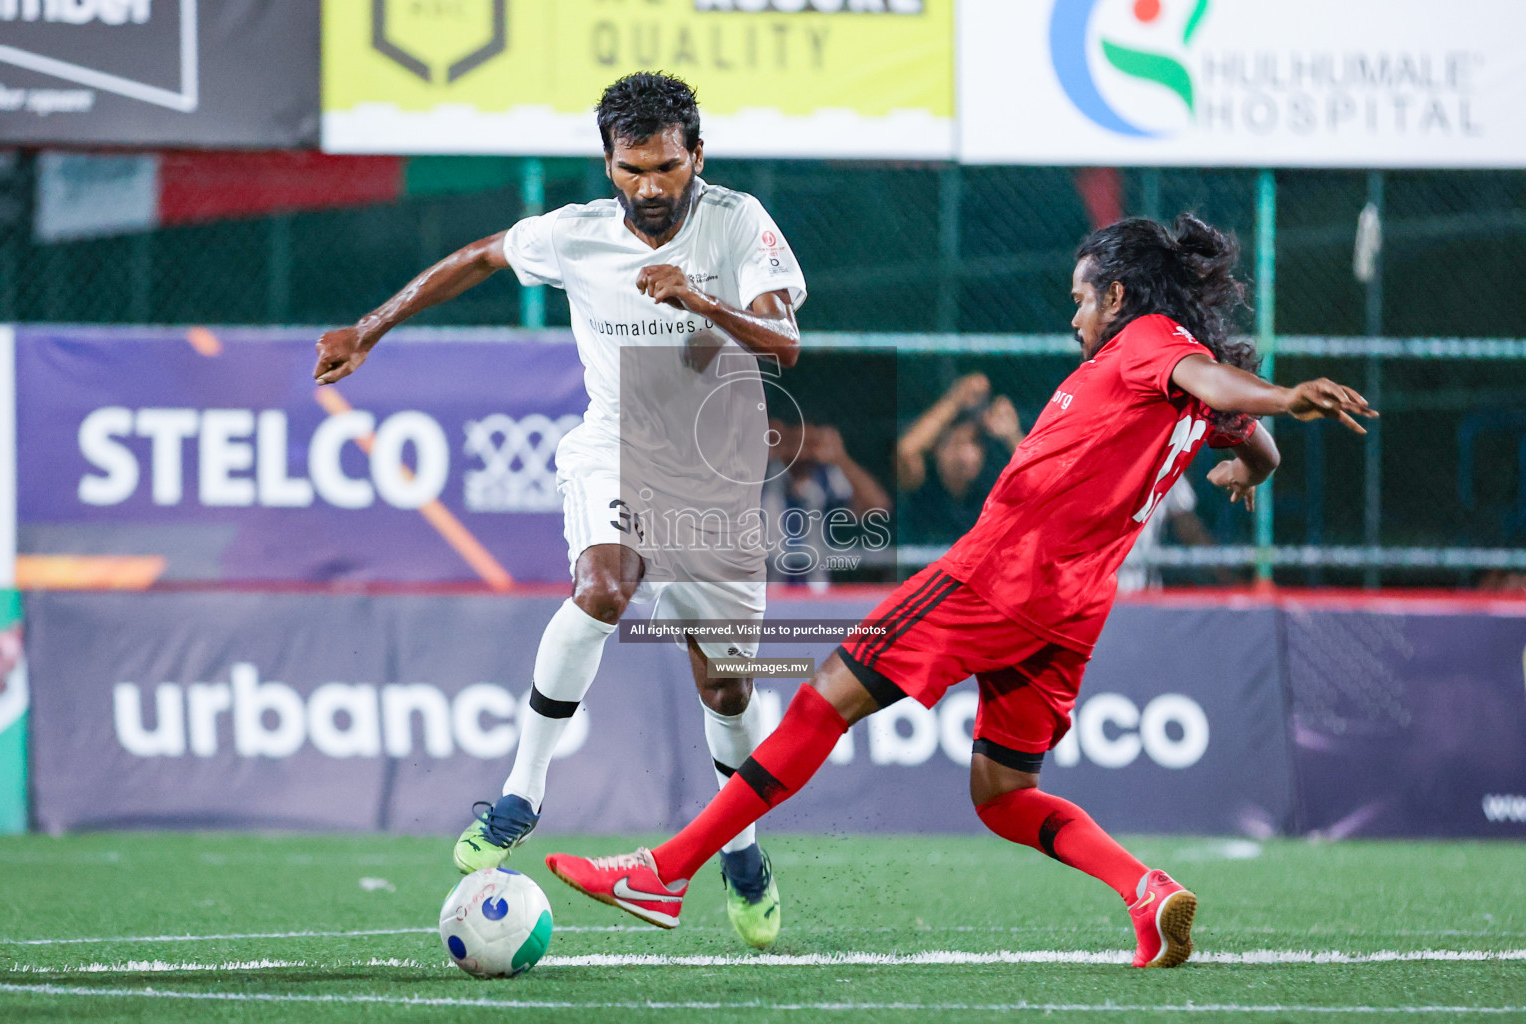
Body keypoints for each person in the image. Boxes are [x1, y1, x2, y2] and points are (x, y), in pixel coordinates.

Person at [544, 213, 1377, 967]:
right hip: (1073, 606)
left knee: (820, 699)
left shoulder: (1150, 339)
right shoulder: (1169, 378)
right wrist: (1249, 464)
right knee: (1003, 793)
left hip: (997, 574)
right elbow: (1244, 429)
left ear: (1119, 296)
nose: (1073, 317)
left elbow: (1223, 388)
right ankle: (1146, 891)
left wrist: (1287, 395)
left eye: (1082, 299)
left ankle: (663, 874)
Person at [312, 72, 807, 949]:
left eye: (667, 167)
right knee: (606, 586)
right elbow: (478, 257)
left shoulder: (737, 220)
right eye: (632, 169)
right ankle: (520, 796)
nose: (652, 188)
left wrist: (695, 295)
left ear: (697, 155)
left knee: (726, 687)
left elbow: (785, 342)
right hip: (613, 446)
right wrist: (370, 326)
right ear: (609, 164)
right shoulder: (574, 233)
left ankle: (743, 847)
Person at [897, 374, 1024, 546]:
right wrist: (955, 400)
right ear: (936, 449)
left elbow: (1041, 485)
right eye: (956, 443)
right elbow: (906, 451)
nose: (966, 455)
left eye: (974, 444)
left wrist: (1012, 434)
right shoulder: (923, 482)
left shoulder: (991, 482)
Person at [763, 420, 892, 584]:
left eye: (810, 444)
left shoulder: (826, 478)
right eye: (796, 442)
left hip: (816, 587)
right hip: (771, 588)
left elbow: (877, 505)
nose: (802, 453)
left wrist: (841, 458)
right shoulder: (766, 477)